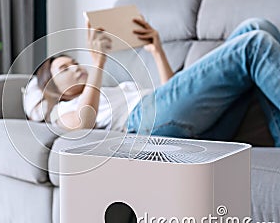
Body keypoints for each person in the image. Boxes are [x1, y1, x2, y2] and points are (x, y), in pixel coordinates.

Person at [27, 17, 280, 146]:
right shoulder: (62, 111)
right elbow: (84, 124)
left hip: (177, 119)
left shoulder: (109, 90)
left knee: (256, 26)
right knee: (253, 44)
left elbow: (173, 93)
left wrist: (157, 50)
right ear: (52, 88)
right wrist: (98, 63)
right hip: (143, 126)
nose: (74, 67)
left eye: (74, 62)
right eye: (64, 69)